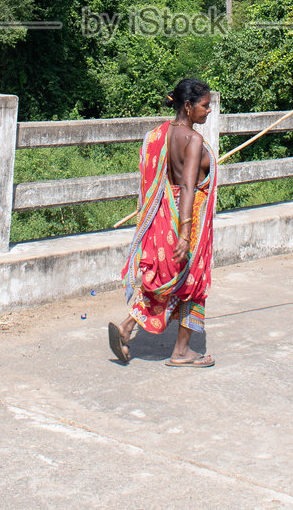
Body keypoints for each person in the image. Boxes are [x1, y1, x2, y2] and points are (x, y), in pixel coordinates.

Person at [108, 78, 216, 367]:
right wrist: (184, 233)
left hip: (163, 218)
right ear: (188, 106)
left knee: (167, 282)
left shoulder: (158, 134)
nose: (209, 111)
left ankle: (127, 327)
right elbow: (188, 185)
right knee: (193, 284)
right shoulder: (193, 140)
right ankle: (181, 352)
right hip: (187, 221)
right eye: (205, 106)